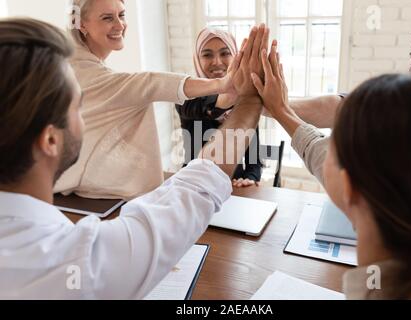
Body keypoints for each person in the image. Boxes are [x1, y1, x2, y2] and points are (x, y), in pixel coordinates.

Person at [0, 18, 269, 299]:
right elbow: (198, 187)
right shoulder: (79, 264)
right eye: (79, 105)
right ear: (51, 139)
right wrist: (250, 100)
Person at [254, 48, 411, 299]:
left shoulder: (376, 288)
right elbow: (316, 149)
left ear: (350, 186)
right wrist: (280, 109)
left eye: (333, 142)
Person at [55, 0, 240, 200]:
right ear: (81, 24)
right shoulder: (81, 70)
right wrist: (222, 84)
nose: (120, 25)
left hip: (74, 188)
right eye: (107, 18)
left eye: (122, 15)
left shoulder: (76, 61)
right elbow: (149, 83)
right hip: (71, 195)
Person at [260, 15, 411, 185]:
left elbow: (346, 182)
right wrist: (269, 106)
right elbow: (341, 107)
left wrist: (280, 110)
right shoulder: (409, 105)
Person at [176, 28, 263, 188]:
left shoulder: (244, 99)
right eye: (207, 54)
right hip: (192, 185)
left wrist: (250, 178)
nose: (217, 62)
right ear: (197, 58)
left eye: (225, 53)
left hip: (231, 186)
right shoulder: (186, 97)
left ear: (235, 56)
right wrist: (233, 95)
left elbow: (254, 159)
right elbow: (208, 106)